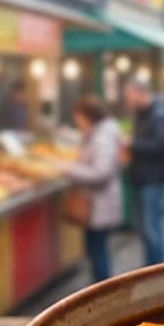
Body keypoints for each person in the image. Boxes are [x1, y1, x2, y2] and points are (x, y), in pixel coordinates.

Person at [63, 95, 124, 282]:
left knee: (98, 249)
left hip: (99, 204)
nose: (77, 122)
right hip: (98, 203)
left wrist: (70, 170)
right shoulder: (99, 133)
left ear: (87, 116)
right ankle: (100, 286)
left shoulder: (102, 137)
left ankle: (101, 290)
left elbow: (101, 172)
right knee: (97, 248)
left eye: (78, 117)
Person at [123, 79, 164, 266]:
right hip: (142, 177)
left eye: (129, 96)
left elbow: (161, 146)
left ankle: (158, 268)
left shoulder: (158, 114)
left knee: (152, 227)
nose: (127, 100)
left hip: (153, 178)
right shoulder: (140, 114)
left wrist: (133, 144)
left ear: (139, 93)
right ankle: (151, 265)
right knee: (146, 227)